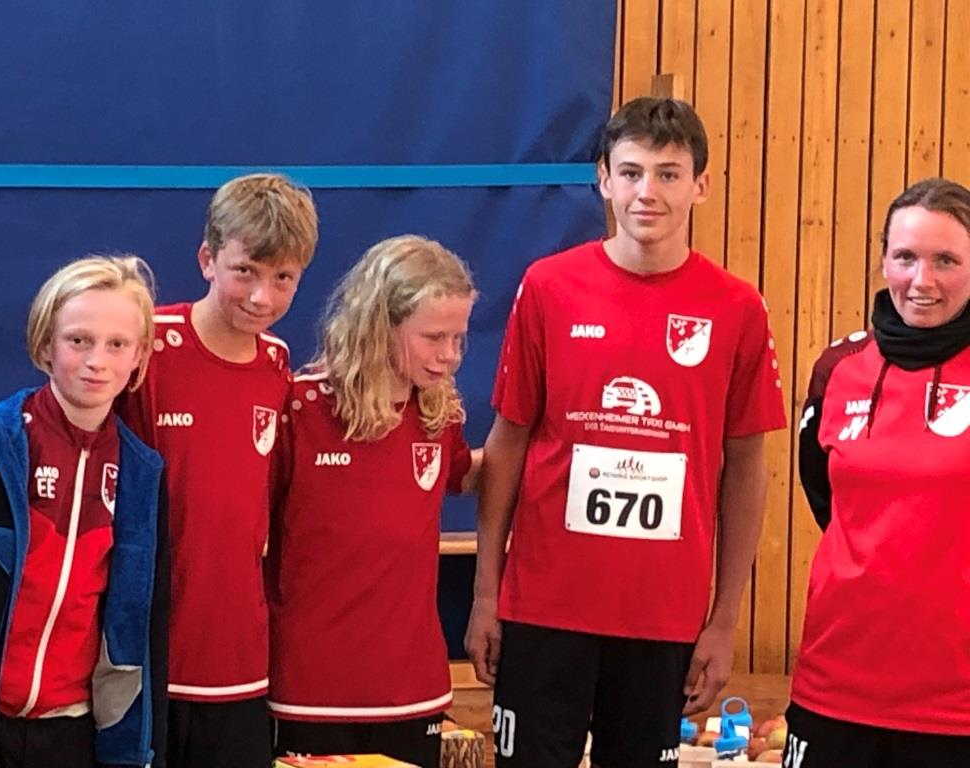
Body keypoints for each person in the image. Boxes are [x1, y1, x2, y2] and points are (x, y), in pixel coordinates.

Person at [463, 96, 787, 767]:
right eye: (632, 172)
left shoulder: (737, 308)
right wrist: (487, 594)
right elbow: (508, 443)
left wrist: (725, 618)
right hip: (544, 609)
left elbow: (747, 466)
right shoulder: (549, 287)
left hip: (664, 618)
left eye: (668, 174)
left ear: (700, 185)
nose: (648, 192)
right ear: (604, 180)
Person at [118, 173, 318, 768]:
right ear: (207, 259)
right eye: (245, 271)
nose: (262, 297)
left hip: (238, 660)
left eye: (283, 278)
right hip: (144, 654)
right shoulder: (146, 345)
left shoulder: (277, 362)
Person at [266, 235, 481, 768]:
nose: (450, 355)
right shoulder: (300, 408)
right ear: (379, 325)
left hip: (412, 689)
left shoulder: (440, 416)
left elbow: (471, 473)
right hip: (309, 688)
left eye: (459, 337)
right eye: (433, 337)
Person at [0, 255, 168, 768]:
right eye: (79, 340)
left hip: (75, 733)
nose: (97, 361)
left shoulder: (142, 473)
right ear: (46, 344)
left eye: (117, 345)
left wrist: (141, 751)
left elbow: (148, 629)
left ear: (139, 355)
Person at [789, 178, 970, 767]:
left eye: (946, 260)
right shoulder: (838, 367)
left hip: (955, 707)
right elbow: (825, 497)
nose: (922, 280)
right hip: (834, 687)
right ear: (884, 260)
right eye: (906, 257)